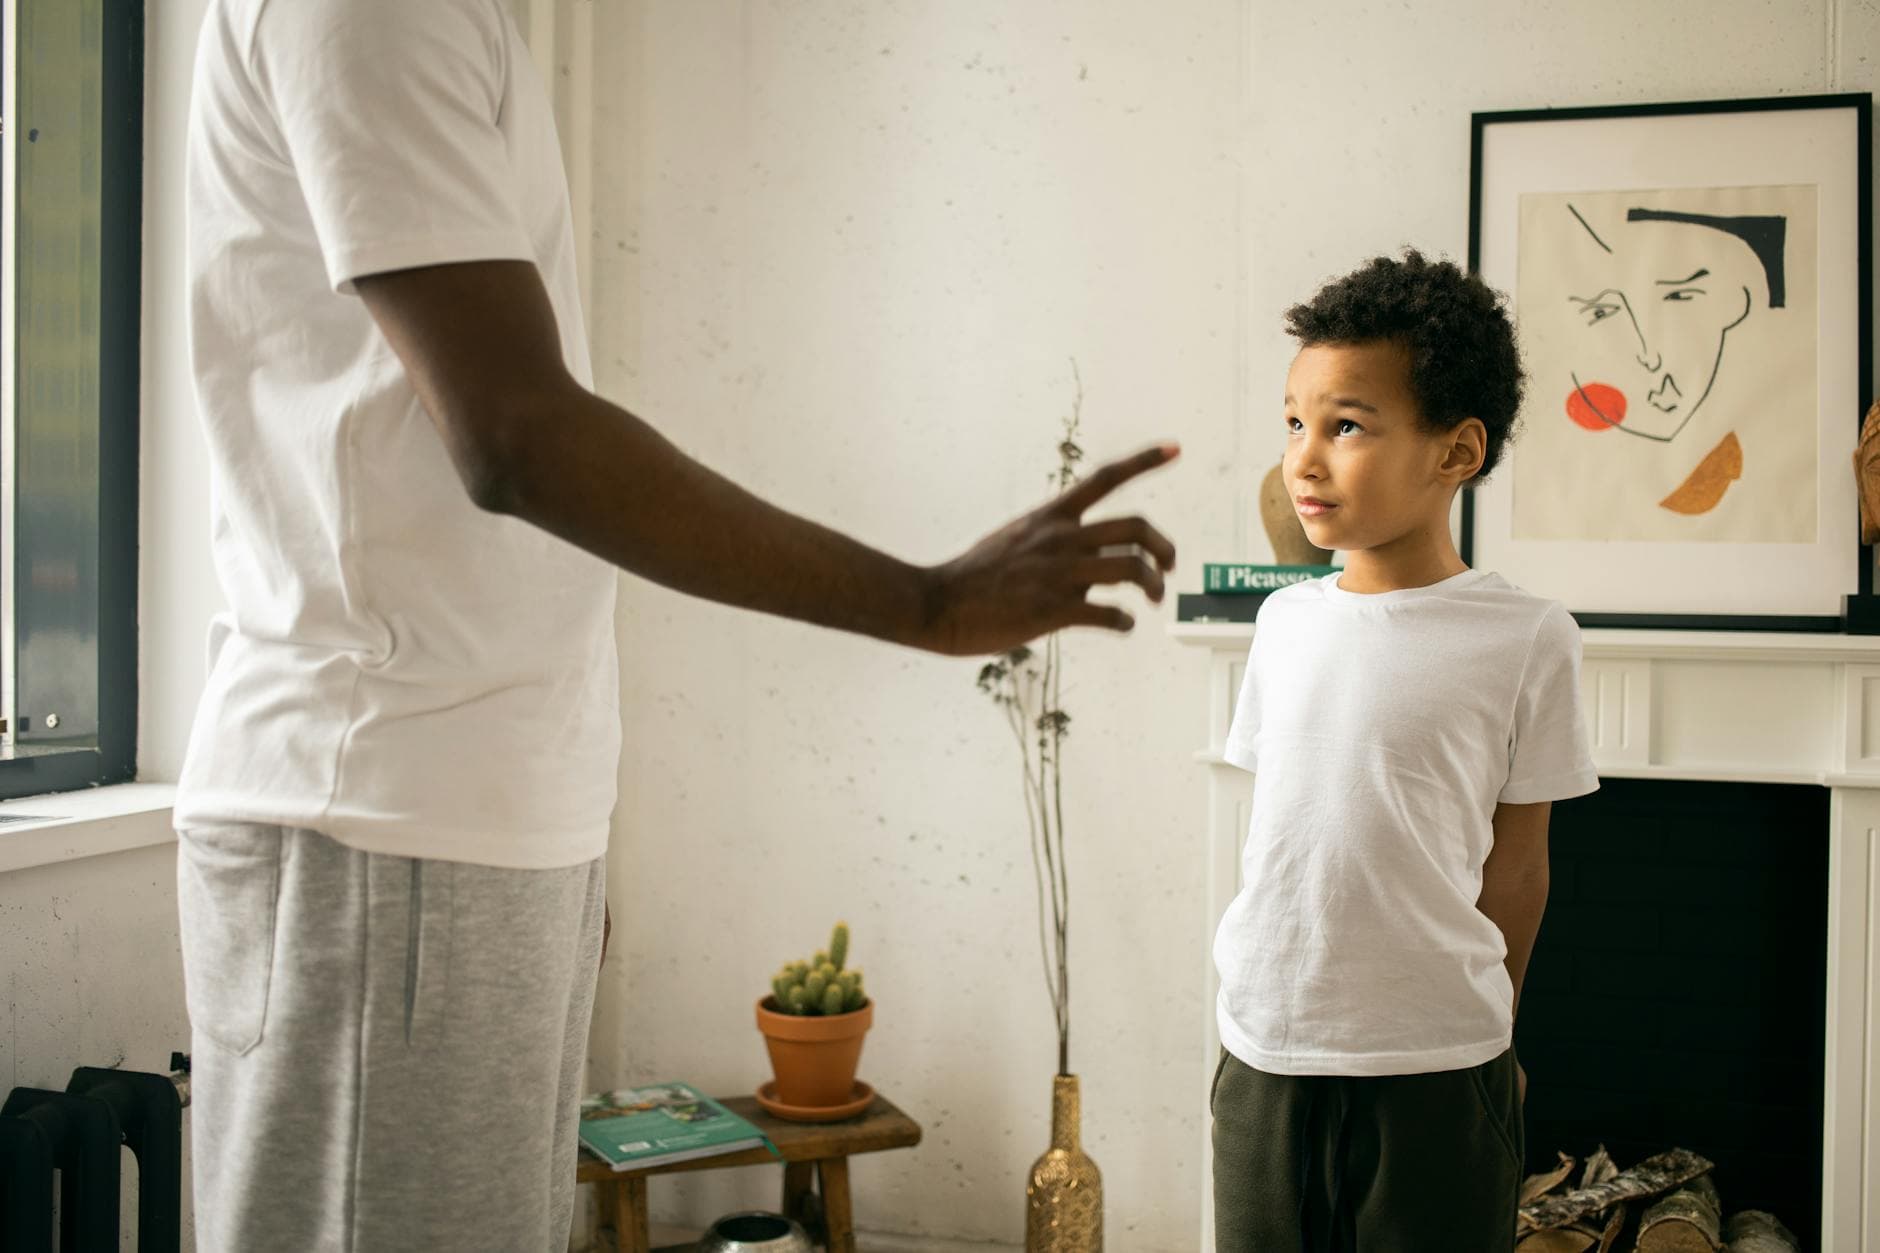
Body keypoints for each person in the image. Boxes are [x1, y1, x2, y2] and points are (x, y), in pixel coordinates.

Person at [175, 1, 1177, 1248]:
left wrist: (561, 818)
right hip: (376, 807)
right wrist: (926, 600)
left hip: (462, 816)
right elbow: (514, 438)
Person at [1208, 250, 1597, 1250]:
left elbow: (1518, 864)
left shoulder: (1526, 635)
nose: (1302, 457)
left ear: (1454, 452)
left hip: (1438, 1058)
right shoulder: (1281, 622)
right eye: (1294, 421)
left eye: (1345, 425)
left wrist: (1493, 1030)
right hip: (1265, 1047)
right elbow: (1282, 836)